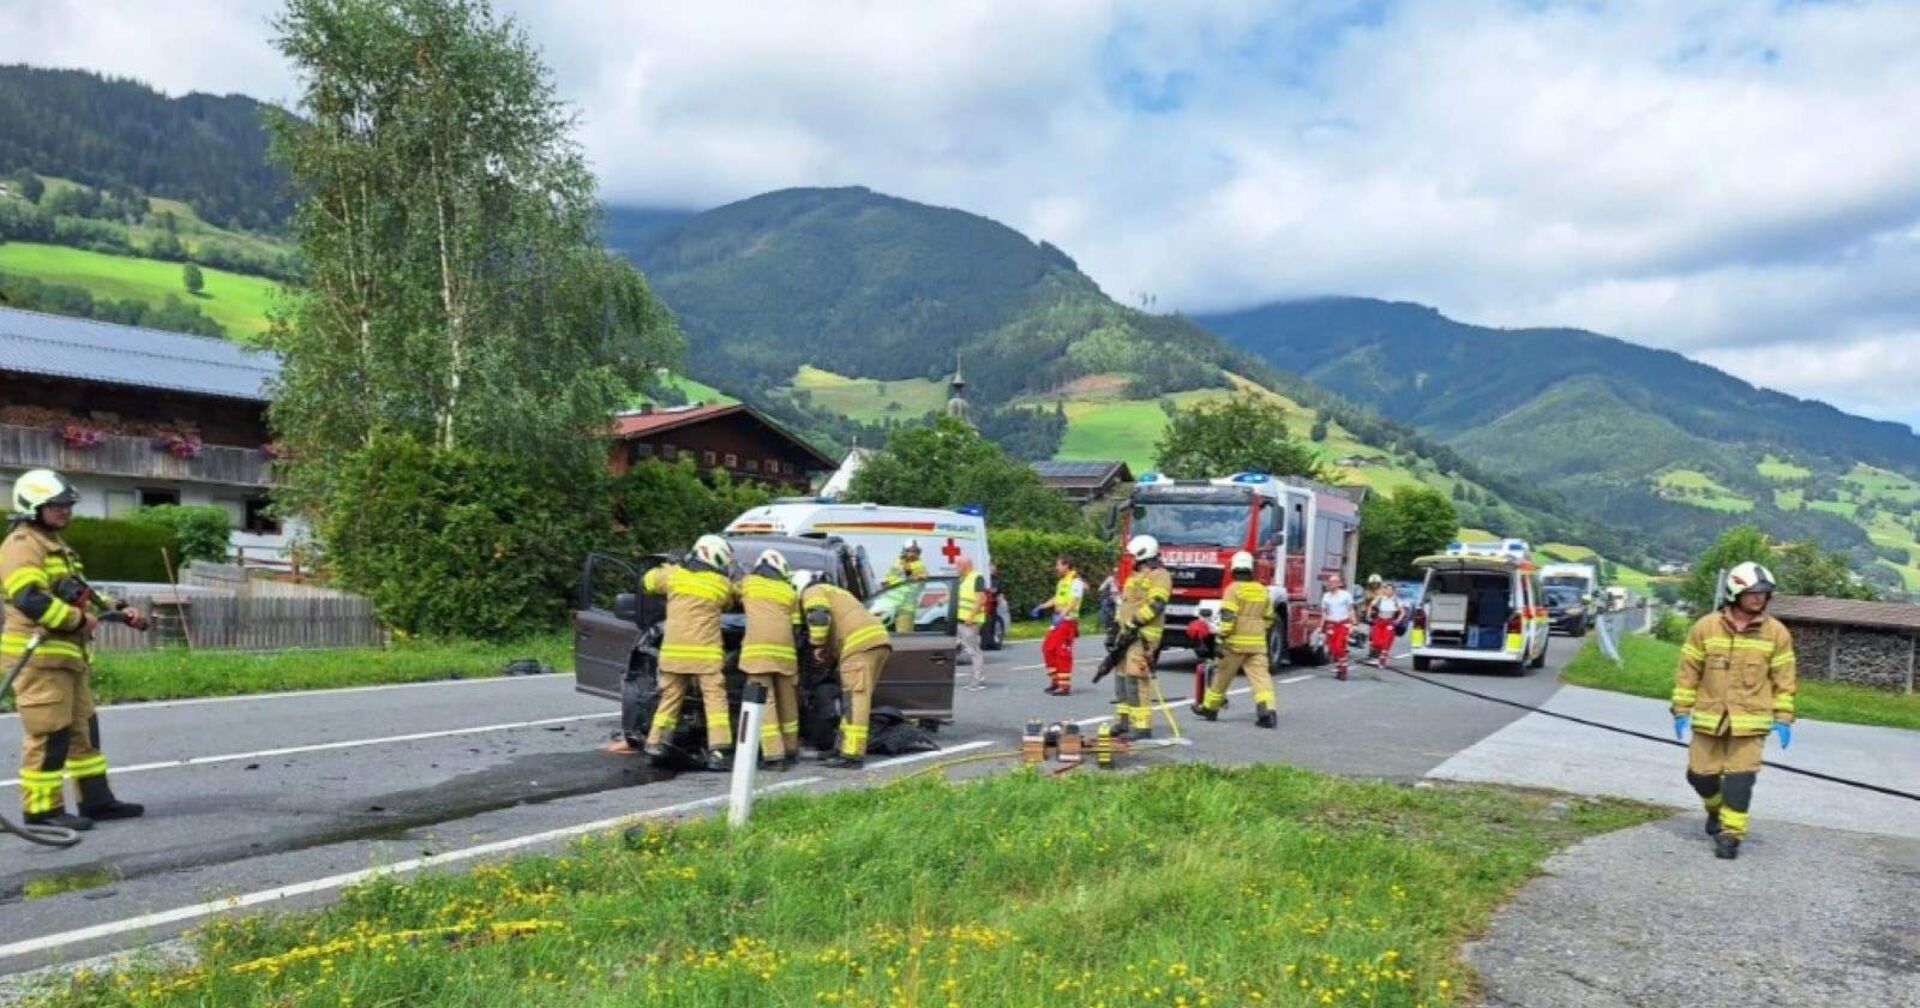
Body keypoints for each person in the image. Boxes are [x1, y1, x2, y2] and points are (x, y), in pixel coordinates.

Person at [2, 469, 149, 830]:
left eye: (67, 504)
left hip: (66, 659)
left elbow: (82, 594)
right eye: (56, 505)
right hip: (38, 658)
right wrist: (78, 621)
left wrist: (118, 610)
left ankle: (96, 802)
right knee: (49, 734)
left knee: (83, 731)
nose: (65, 511)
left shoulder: (57, 547)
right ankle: (41, 812)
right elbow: (28, 599)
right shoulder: (22, 545)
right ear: (32, 507)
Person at [1671, 561, 1796, 860]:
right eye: (1753, 592)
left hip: (1751, 721)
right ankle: (1714, 810)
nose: (1759, 598)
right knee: (1700, 776)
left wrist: (1783, 717)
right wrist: (1680, 710)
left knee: (1741, 780)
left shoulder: (1776, 633)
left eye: (1764, 593)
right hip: (1708, 718)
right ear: (1735, 592)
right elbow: (1688, 672)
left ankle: (1731, 835)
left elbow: (1784, 679)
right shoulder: (1705, 627)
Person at [641, 534, 738, 771]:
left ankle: (656, 744)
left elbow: (648, 581)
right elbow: (730, 602)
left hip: (673, 653)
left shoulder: (674, 576)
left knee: (669, 700)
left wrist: (672, 564)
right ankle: (719, 752)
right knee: (715, 702)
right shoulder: (720, 584)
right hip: (705, 655)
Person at [799, 571, 892, 769]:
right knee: (857, 699)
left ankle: (852, 754)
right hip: (876, 641)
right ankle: (841, 747)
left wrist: (817, 644)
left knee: (854, 699)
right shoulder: (836, 591)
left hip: (858, 644)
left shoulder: (813, 591)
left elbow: (818, 615)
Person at [1191, 551, 1278, 728]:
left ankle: (1210, 708)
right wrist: (1258, 631)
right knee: (1262, 680)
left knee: (1221, 676)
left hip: (1235, 644)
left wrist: (1221, 638)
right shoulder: (1262, 590)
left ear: (1234, 570)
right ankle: (1268, 712)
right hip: (1257, 645)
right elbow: (1269, 617)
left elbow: (1228, 617)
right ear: (1250, 570)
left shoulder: (1233, 590)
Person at [738, 549, 802, 769]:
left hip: (758, 653)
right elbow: (796, 624)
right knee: (788, 701)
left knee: (765, 702)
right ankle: (791, 748)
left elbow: (729, 596)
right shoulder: (789, 591)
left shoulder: (749, 583)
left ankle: (774, 755)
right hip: (785, 653)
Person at [1113, 535, 1172, 739]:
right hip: (1126, 634)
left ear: (1142, 554)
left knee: (1136, 677)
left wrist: (1135, 623)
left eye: (1132, 555)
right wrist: (1116, 627)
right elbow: (1125, 604)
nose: (1130, 559)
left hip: (1143, 636)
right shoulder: (1134, 576)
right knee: (1121, 676)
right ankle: (1123, 720)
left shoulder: (1159, 575)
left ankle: (1142, 726)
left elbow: (1157, 604)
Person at [1032, 555, 1086, 696]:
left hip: (1068, 620)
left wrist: (1062, 615)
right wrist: (1042, 606)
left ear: (1067, 565)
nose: (1056, 568)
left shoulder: (1076, 582)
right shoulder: (1063, 582)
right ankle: (1055, 681)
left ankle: (1064, 685)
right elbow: (1057, 598)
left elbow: (1074, 601)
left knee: (1062, 652)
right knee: (1048, 648)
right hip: (1058, 619)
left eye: (1059, 565)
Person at [954, 555, 989, 690]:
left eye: (958, 565)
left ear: (965, 565)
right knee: (968, 648)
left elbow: (981, 599)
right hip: (961, 620)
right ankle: (976, 679)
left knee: (974, 651)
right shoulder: (963, 579)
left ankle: (978, 680)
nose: (956, 568)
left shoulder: (977, 577)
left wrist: (971, 616)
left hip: (970, 622)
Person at [1321, 573, 1355, 681]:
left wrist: (1353, 624)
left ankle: (1343, 670)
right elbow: (1324, 613)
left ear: (1339, 584)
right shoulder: (1326, 596)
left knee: (1340, 646)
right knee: (1332, 648)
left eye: (1334, 582)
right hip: (1331, 624)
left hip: (1343, 624)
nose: (1331, 584)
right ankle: (1340, 667)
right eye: (1330, 582)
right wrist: (1321, 628)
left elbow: (1350, 609)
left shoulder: (1346, 595)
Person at [1367, 581, 1401, 669]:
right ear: (1385, 590)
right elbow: (1371, 605)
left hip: (1389, 622)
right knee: (1376, 641)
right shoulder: (1380, 598)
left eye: (1391, 589)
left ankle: (1383, 658)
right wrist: (1369, 615)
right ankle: (1381, 653)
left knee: (1387, 640)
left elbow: (1403, 612)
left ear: (1394, 591)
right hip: (1379, 621)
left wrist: (1397, 621)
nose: (1389, 591)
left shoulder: (1396, 600)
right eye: (1387, 589)